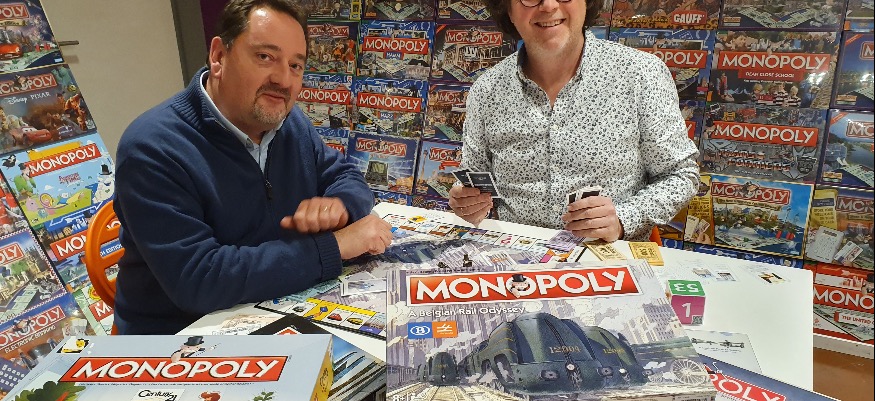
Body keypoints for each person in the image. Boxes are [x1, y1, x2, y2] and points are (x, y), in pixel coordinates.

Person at [113, 0, 392, 335]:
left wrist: (340, 206)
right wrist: (336, 246)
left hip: (274, 304)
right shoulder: (152, 147)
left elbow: (345, 175)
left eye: (295, 65)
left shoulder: (290, 124)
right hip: (182, 336)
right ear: (219, 56)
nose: (283, 80)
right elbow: (200, 280)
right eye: (265, 57)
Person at [448, 0, 699, 242]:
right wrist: (466, 202)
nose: (549, 5)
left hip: (606, 258)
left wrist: (623, 219)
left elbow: (680, 175)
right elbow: (474, 178)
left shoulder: (640, 74)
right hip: (514, 256)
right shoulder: (486, 90)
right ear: (508, 10)